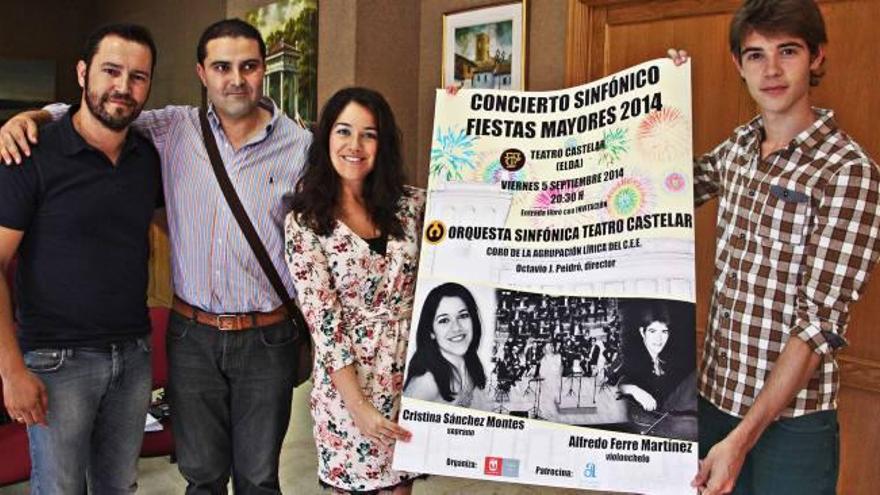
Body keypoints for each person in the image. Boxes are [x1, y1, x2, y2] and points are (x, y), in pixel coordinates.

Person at [0, 19, 311, 494]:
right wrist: (31, 117)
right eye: (222, 66)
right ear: (201, 73)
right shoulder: (167, 132)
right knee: (189, 477)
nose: (235, 78)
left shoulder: (293, 147)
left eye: (248, 66)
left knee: (251, 479)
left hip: (232, 342)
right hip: (135, 348)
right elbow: (89, 111)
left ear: (263, 71)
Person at [669, 1, 880, 493]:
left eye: (787, 51)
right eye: (755, 55)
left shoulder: (848, 171)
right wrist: (662, 97)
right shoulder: (739, 148)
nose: (772, 70)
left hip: (793, 425)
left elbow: (818, 325)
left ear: (817, 57)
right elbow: (657, 189)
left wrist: (742, 439)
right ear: (738, 65)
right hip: (713, 401)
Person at [0, 24, 161, 493]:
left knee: (119, 487)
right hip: (56, 361)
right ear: (82, 72)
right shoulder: (30, 153)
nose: (123, 88)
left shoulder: (147, 158)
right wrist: (11, 371)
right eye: (111, 71)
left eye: (138, 77)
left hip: (132, 356)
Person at [284, 87, 424, 494]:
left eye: (370, 134)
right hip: (348, 387)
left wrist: (460, 115)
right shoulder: (307, 222)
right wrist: (358, 407)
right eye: (344, 131)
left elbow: (478, 207)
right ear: (326, 136)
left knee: (399, 487)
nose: (355, 146)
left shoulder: (411, 206)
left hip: (408, 375)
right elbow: (324, 324)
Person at [404, 282, 487, 407]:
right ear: (431, 331)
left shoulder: (470, 367)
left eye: (463, 316)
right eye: (444, 320)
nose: (456, 328)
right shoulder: (426, 382)